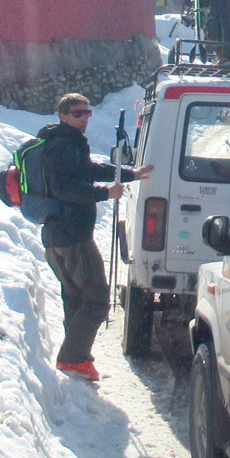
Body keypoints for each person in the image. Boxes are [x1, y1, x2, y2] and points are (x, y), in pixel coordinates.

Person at [34, 92, 150, 383]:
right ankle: (72, 359)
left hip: (59, 234)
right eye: (77, 114)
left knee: (75, 296)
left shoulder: (67, 142)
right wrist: (105, 193)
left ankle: (75, 360)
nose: (84, 118)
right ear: (63, 115)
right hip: (72, 236)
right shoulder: (63, 146)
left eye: (87, 113)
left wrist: (128, 174)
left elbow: (89, 170)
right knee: (97, 299)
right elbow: (66, 189)